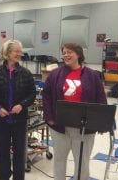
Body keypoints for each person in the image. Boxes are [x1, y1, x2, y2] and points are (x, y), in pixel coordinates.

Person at [42, 43, 107, 180]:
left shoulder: (92, 76)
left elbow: (100, 98)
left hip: (84, 128)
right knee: (59, 161)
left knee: (82, 164)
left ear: (78, 54)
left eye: (69, 52)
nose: (66, 55)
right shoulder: (55, 74)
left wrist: (101, 122)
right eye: (64, 52)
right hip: (60, 127)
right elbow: (46, 96)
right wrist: (49, 118)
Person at [0, 39, 36, 180]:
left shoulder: (26, 73)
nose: (19, 54)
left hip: (20, 120)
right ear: (7, 52)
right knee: (2, 152)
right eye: (16, 51)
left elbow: (32, 94)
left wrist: (21, 105)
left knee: (19, 153)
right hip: (2, 120)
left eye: (20, 51)